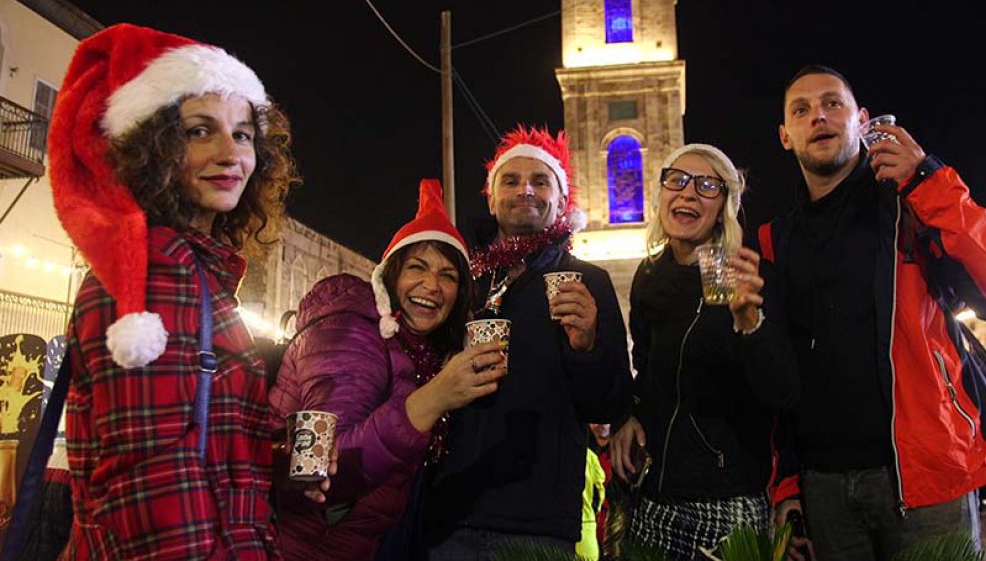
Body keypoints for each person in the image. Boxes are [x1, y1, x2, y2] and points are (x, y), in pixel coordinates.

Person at [757, 65, 986, 559]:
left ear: (862, 120)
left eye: (832, 103)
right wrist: (787, 484)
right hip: (825, 490)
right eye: (801, 110)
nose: (818, 116)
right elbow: (782, 374)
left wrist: (928, 177)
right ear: (784, 135)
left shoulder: (913, 204)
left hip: (927, 477)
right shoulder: (773, 240)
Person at [47, 24, 297, 558]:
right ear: (151, 148)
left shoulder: (193, 268)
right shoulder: (158, 274)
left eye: (244, 133)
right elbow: (152, 486)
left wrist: (275, 456)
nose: (231, 153)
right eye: (199, 131)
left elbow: (198, 442)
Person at [268, 180, 506, 559]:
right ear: (391, 276)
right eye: (418, 267)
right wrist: (434, 398)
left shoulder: (417, 354)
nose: (432, 285)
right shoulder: (351, 330)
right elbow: (327, 473)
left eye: (448, 275)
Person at [425, 127, 633, 557]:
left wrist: (587, 344)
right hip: (449, 514)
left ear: (561, 200)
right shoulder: (462, 280)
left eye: (541, 182)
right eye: (511, 180)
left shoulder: (588, 282)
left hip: (539, 523)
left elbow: (609, 405)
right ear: (490, 195)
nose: (526, 191)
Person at [610, 144, 799, 559]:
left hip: (726, 503)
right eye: (676, 181)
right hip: (654, 500)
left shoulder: (754, 276)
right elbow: (646, 368)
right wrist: (630, 413)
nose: (688, 193)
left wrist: (751, 324)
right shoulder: (649, 277)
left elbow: (783, 394)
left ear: (726, 205)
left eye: (707, 186)